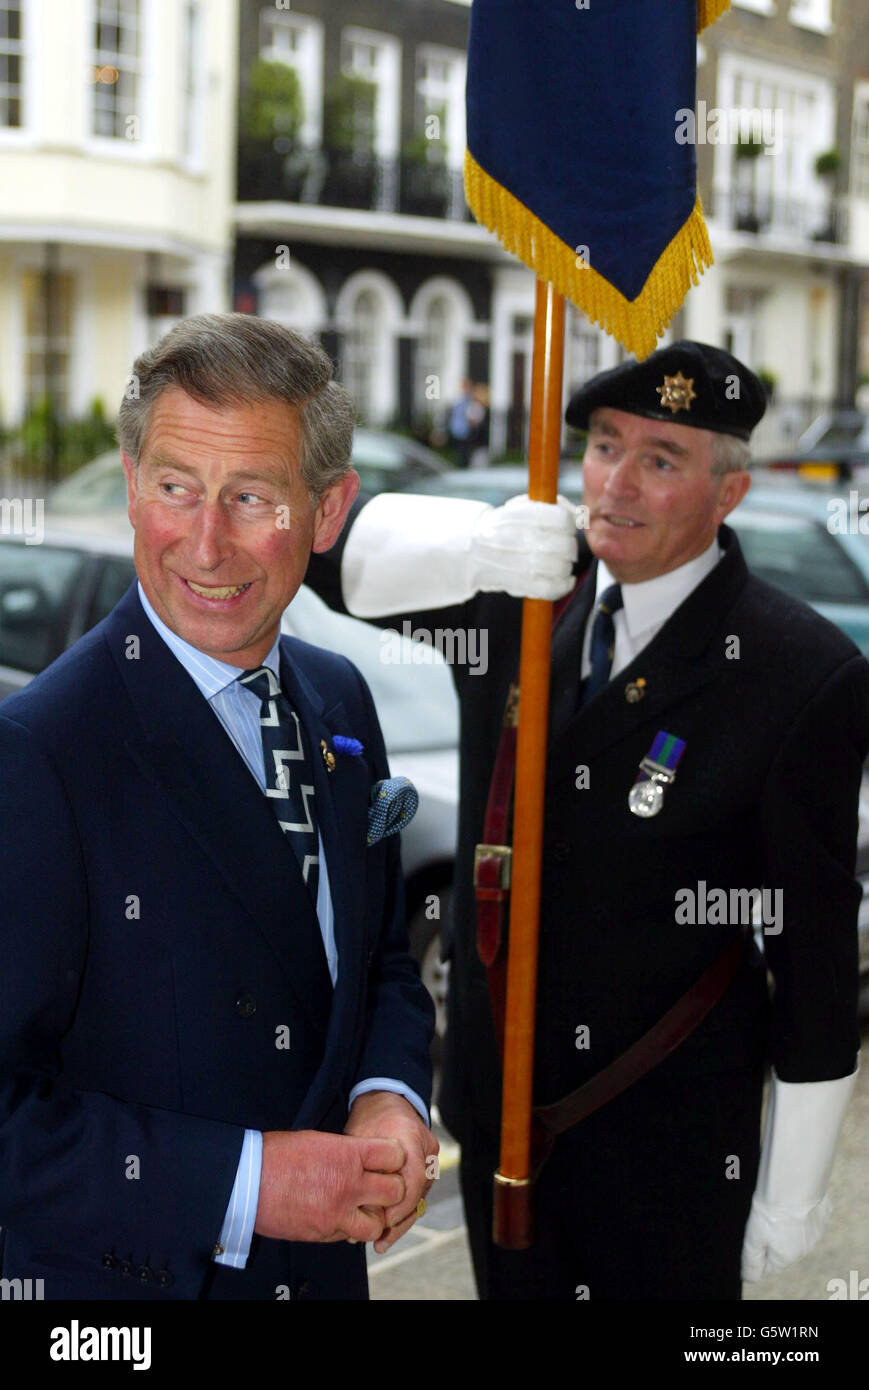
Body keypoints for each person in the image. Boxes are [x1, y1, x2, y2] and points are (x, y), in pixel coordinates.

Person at [304, 341, 869, 1300]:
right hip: (497, 1122)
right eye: (605, 446)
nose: (617, 483)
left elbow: (811, 961)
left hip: (668, 1156)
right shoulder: (522, 593)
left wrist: (790, 1194)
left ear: (726, 493)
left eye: (661, 459)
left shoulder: (798, 672)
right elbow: (328, 554)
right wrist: (474, 544)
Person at [0, 313, 437, 1302]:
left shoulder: (337, 701)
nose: (204, 542)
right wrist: (248, 1185)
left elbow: (380, 964)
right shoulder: (41, 753)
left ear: (327, 513)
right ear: (129, 484)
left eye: (249, 497)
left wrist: (388, 1094)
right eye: (174, 488)